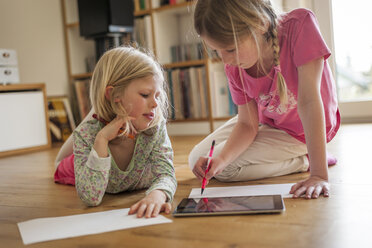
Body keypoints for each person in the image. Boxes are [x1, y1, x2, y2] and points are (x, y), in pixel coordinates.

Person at [189, 0, 340, 199]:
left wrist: (319, 174)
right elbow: (247, 124)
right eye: (217, 51)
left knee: (226, 171)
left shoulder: (300, 26)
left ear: (260, 24)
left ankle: (305, 160)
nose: (225, 61)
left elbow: (310, 103)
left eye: (230, 49)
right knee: (197, 161)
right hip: (269, 121)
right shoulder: (235, 66)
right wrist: (222, 159)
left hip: (302, 130)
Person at [54, 46, 177, 218]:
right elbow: (90, 198)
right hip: (84, 161)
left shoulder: (155, 127)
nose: (155, 104)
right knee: (60, 165)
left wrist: (158, 194)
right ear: (114, 94)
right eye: (145, 94)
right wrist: (102, 139)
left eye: (158, 95)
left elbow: (166, 174)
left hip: (127, 171)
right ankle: (96, 112)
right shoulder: (87, 135)